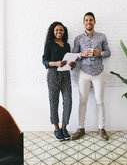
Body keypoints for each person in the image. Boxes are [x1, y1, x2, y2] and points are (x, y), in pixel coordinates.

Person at [72, 12, 111, 141]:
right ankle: (81, 128)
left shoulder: (102, 37)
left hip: (98, 73)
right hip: (83, 73)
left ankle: (101, 128)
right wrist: (81, 54)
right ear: (84, 23)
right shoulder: (78, 38)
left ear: (94, 22)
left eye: (91, 20)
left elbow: (108, 53)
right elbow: (73, 55)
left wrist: (100, 53)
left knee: (100, 101)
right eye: (86, 20)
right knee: (82, 101)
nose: (89, 22)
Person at [42, 21, 76, 141]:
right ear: (53, 31)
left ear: (64, 32)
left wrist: (72, 65)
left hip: (66, 75)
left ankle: (63, 127)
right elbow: (44, 61)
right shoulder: (49, 44)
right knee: (54, 101)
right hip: (53, 75)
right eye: (57, 30)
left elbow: (68, 62)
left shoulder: (66, 45)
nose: (59, 32)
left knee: (68, 101)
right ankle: (56, 129)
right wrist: (56, 63)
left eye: (61, 30)